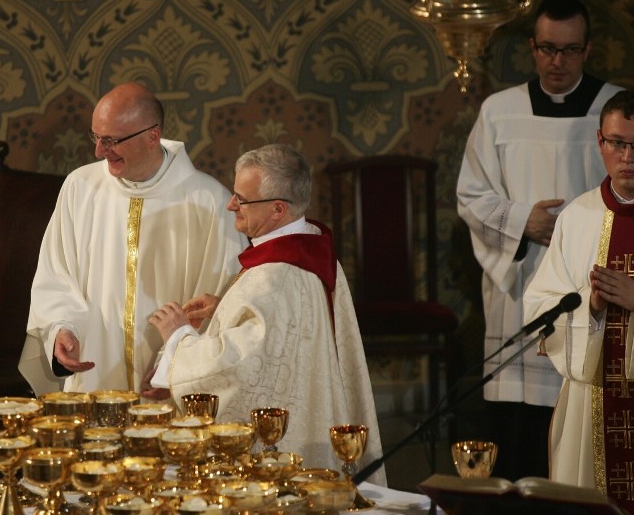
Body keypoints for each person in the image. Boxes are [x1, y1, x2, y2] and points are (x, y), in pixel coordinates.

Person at [146, 144, 386, 484]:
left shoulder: (275, 277)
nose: (231, 205)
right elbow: (289, 327)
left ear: (277, 209)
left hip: (282, 448)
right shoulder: (310, 245)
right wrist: (224, 309)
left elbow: (241, 368)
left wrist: (178, 337)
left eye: (241, 199)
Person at [456, 0, 623, 479]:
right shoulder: (499, 111)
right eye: (548, 48)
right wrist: (520, 220)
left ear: (587, 50)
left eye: (570, 50)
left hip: (591, 281)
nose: (558, 62)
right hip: (522, 275)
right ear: (532, 47)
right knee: (519, 425)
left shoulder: (615, 113)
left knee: (582, 415)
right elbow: (470, 194)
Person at [19, 82, 245, 395]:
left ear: (152, 136)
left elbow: (223, 303)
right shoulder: (80, 188)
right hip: (93, 376)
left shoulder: (210, 202)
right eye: (96, 137)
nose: (99, 151)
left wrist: (178, 367)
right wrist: (61, 329)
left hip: (172, 389)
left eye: (111, 140)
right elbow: (55, 275)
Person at [524, 89, 634, 514]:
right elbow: (541, 306)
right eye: (617, 142)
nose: (627, 156)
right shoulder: (578, 218)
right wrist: (589, 307)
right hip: (592, 405)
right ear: (600, 142)